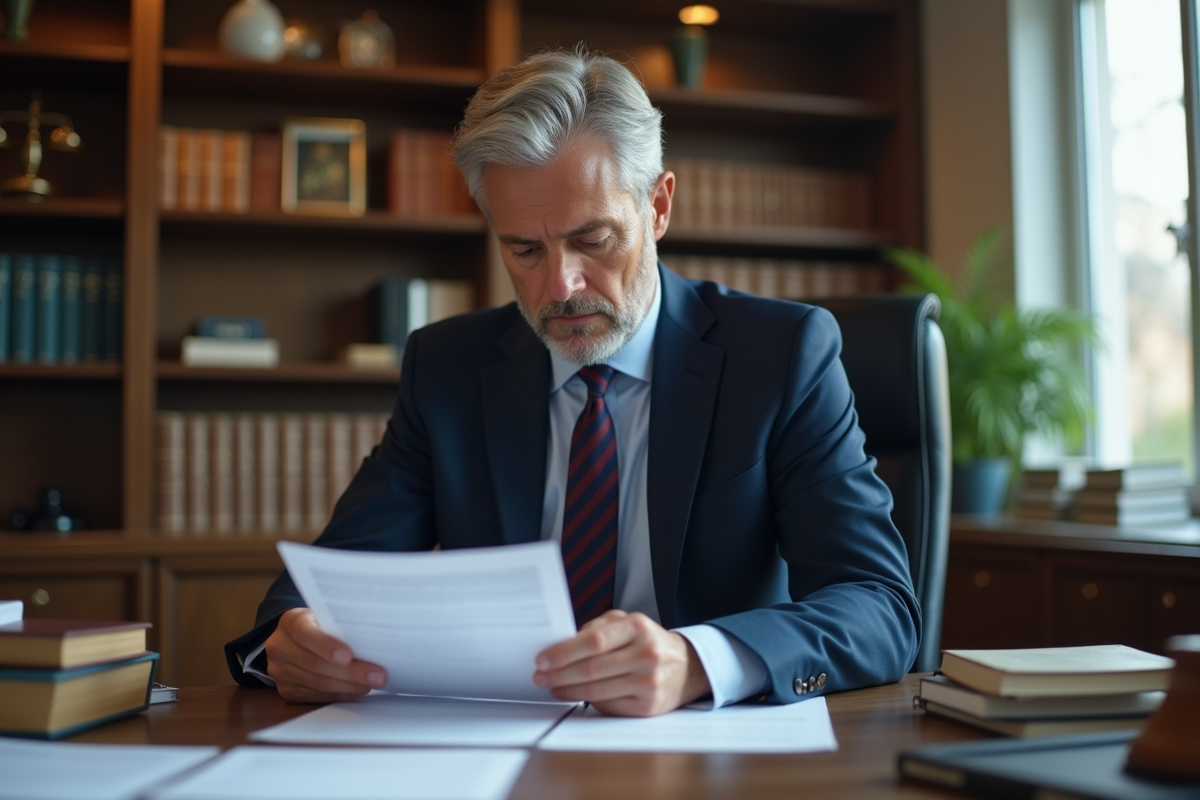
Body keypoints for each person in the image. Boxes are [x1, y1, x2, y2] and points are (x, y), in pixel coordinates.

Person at [225, 47, 920, 717]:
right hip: (494, 743)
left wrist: (696, 661)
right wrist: (292, 641)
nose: (560, 285)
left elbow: (879, 607)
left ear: (658, 206)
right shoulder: (448, 368)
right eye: (525, 249)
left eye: (592, 239)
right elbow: (325, 585)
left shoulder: (780, 355)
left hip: (704, 749)